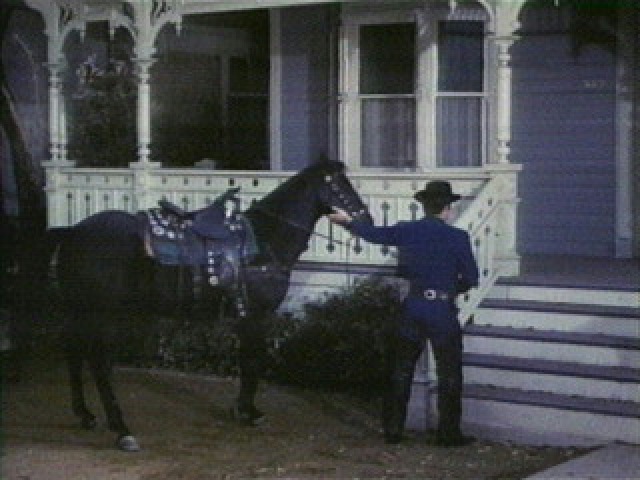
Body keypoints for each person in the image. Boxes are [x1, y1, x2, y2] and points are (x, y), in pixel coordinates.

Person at [328, 180, 479, 447]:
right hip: (441, 310)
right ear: (447, 209)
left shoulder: (407, 230)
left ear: (424, 206)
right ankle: (448, 434)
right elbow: (471, 278)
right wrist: (449, 290)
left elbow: (374, 234)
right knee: (449, 373)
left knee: (401, 370)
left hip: (413, 306)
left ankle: (393, 430)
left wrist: (347, 222)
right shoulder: (458, 237)